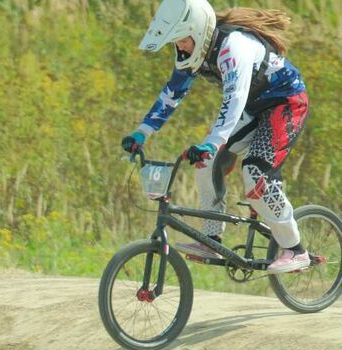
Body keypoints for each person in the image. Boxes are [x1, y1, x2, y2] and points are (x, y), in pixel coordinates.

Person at [122, 1, 311, 274]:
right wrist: (143, 131)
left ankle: (296, 250)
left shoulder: (234, 46)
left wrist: (212, 142)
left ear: (197, 32)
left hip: (286, 104)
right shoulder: (196, 52)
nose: (180, 47)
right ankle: (212, 240)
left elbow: (233, 100)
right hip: (254, 108)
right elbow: (171, 94)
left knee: (256, 175)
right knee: (207, 164)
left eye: (181, 40)